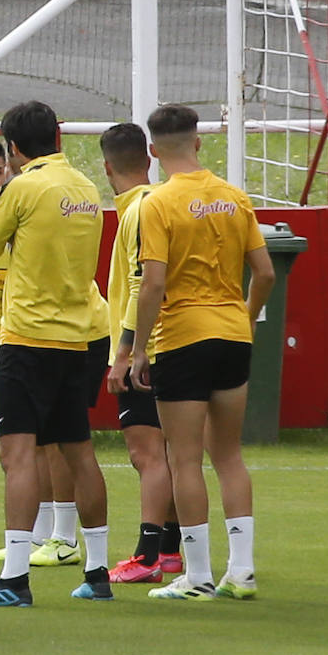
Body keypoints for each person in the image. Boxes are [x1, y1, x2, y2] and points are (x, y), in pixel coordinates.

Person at [0, 101, 112, 607]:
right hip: (79, 335)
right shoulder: (87, 188)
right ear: (59, 138)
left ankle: (14, 579)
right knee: (79, 451)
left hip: (29, 337)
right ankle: (98, 572)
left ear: (14, 149)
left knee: (16, 453)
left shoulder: (22, 188)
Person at [130, 104, 274, 602]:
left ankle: (197, 575)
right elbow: (266, 273)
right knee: (229, 455)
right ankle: (244, 569)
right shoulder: (233, 196)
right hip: (232, 331)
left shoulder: (157, 203)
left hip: (183, 335)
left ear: (152, 150)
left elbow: (153, 284)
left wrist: (138, 350)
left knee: (184, 458)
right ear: (198, 142)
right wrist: (244, 317)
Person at [0, 136, 85, 566]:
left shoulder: (28, 212)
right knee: (25, 444)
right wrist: (3, 337)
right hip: (20, 336)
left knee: (57, 442)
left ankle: (64, 537)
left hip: (59, 334)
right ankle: (37, 536)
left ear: (11, 167)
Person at [99, 123, 183, 584]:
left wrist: (127, 352)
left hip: (145, 350)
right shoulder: (160, 204)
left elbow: (140, 286)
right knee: (165, 453)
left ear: (107, 167)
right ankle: (170, 548)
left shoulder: (138, 212)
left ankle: (147, 554)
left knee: (146, 453)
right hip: (172, 343)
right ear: (147, 159)